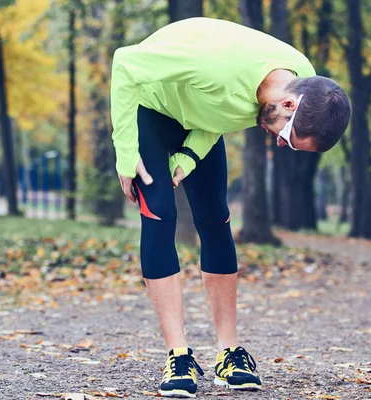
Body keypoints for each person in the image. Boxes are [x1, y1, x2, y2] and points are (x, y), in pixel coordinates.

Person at [110, 17, 351, 398]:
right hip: (150, 108)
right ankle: (178, 356)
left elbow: (220, 111)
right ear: (288, 104)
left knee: (217, 218)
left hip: (198, 123)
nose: (278, 144)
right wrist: (125, 153)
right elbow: (125, 63)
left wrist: (189, 156)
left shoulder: (304, 80)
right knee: (159, 214)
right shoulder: (216, 65)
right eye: (287, 138)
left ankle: (230, 353)